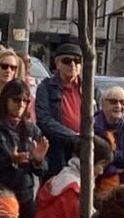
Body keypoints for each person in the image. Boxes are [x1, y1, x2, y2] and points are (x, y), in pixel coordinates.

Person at [0, 80, 50, 218]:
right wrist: (10, 161)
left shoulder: (31, 129)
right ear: (5, 100)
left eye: (25, 100)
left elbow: (43, 170)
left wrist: (38, 161)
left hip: (25, 197)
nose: (20, 104)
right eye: (16, 99)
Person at [36, 45, 90, 174]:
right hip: (57, 149)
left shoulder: (89, 87)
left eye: (77, 61)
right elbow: (44, 119)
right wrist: (73, 137)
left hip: (84, 149)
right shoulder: (46, 87)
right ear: (57, 64)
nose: (72, 64)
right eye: (67, 61)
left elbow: (97, 115)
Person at [91, 84, 124, 191]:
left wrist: (109, 157)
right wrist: (114, 169)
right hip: (96, 190)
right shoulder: (91, 128)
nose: (118, 106)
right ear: (103, 104)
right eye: (113, 102)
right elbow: (90, 162)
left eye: (123, 102)